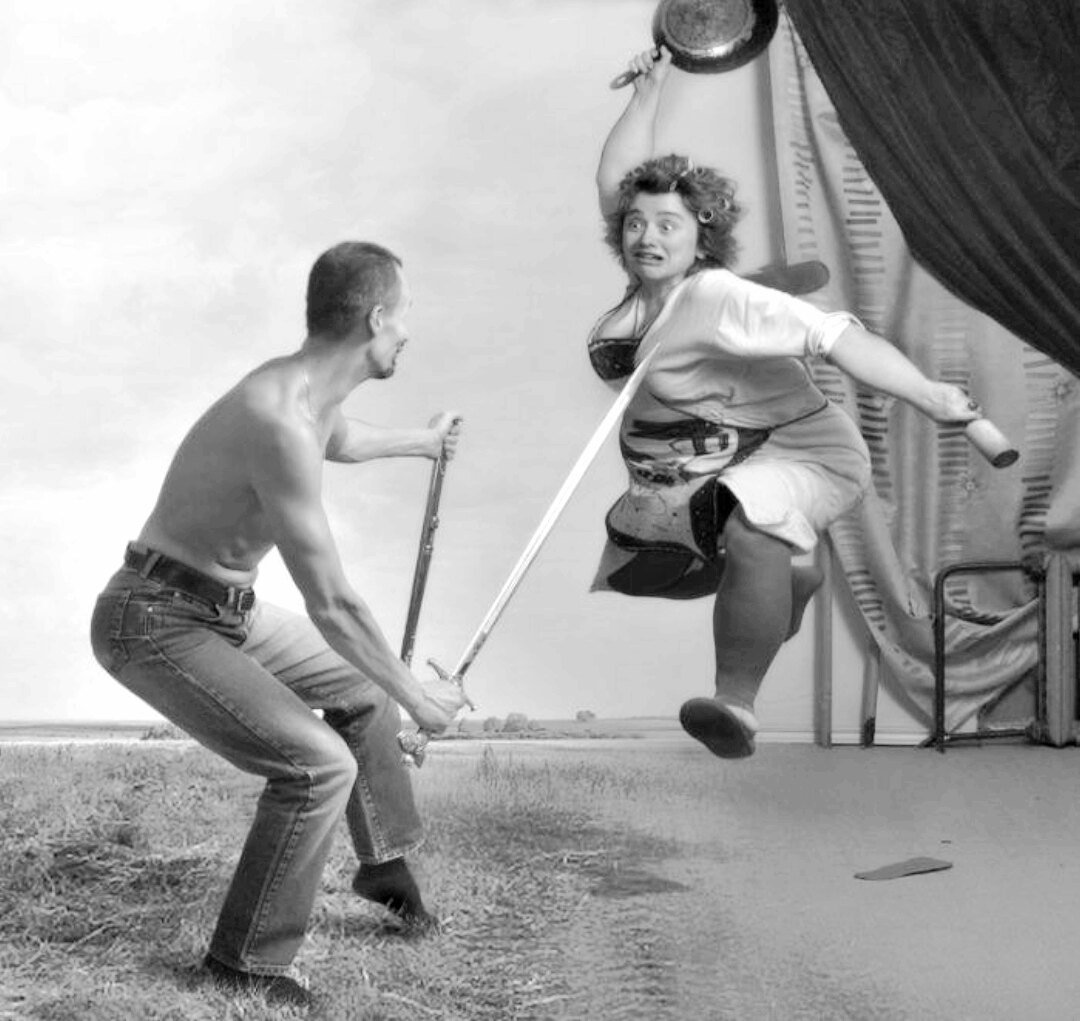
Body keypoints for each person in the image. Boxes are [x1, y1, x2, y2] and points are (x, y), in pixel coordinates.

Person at [90, 241, 468, 1006]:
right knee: (316, 766)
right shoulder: (279, 417)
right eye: (405, 314)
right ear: (376, 316)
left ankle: (384, 865)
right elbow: (333, 603)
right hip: (152, 618)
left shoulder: (306, 392)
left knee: (362, 687)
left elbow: (342, 437)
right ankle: (244, 962)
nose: (408, 331)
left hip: (225, 608)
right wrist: (422, 700)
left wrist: (423, 443)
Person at [590, 50, 981, 760]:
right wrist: (648, 92)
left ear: (702, 239)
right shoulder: (642, 285)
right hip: (708, 456)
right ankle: (791, 584)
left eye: (668, 226)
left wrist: (926, 393)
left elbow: (838, 337)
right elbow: (617, 177)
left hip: (803, 448)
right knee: (671, 568)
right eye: (636, 224)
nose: (646, 236)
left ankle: (734, 705)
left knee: (754, 528)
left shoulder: (716, 296)